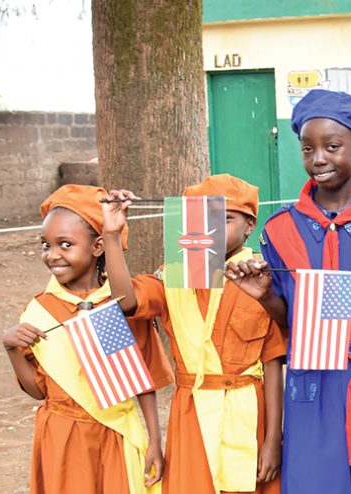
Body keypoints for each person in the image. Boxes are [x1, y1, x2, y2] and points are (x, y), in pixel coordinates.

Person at [232, 89, 351, 492]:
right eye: (307, 148)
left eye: (332, 147)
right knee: (316, 479)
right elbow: (290, 318)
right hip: (311, 382)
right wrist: (264, 296)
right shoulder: (280, 230)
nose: (319, 159)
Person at [105, 175, 287, 494]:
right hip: (191, 411)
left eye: (226, 218)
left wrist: (273, 439)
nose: (213, 227)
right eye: (203, 218)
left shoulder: (262, 279)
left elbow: (272, 364)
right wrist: (111, 235)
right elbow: (126, 301)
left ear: (249, 225)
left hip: (247, 410)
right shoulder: (173, 275)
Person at [2, 184, 172, 493]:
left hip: (116, 433)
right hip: (62, 436)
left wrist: (154, 442)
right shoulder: (40, 310)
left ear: (97, 247)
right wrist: (12, 350)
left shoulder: (116, 306)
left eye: (65, 245)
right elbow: (38, 391)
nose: (52, 255)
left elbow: (142, 381)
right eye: (46, 245)